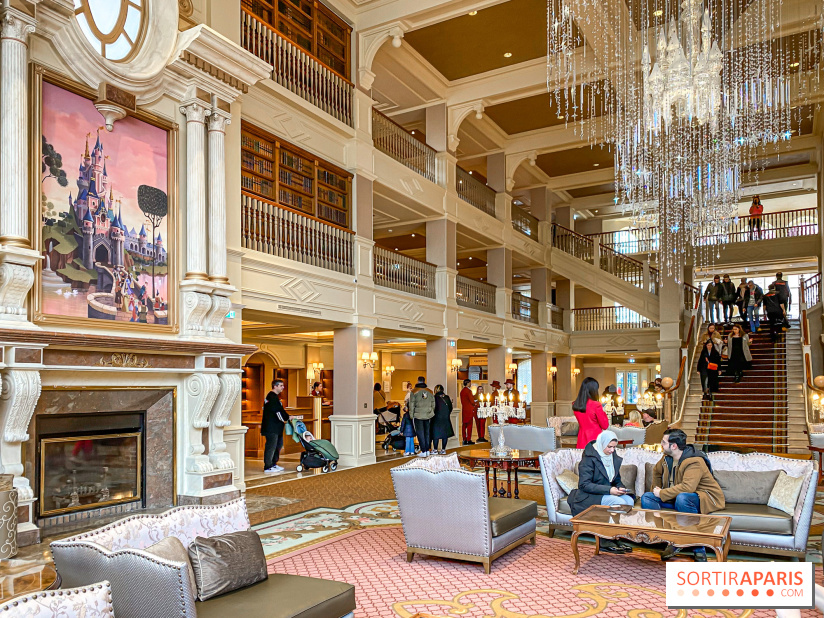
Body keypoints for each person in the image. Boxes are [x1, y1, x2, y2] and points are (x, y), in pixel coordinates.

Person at [640, 429, 725, 561]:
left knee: (683, 498)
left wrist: (662, 493)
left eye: (664, 442)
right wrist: (655, 490)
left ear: (673, 446)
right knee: (647, 497)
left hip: (702, 497)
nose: (661, 444)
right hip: (677, 496)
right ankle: (666, 537)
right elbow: (656, 471)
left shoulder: (694, 461)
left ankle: (698, 547)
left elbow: (688, 487)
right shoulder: (666, 458)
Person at [568, 430, 634, 554]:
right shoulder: (589, 458)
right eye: (609, 447)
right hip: (589, 496)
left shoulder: (612, 457)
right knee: (618, 502)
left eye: (614, 447)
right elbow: (584, 485)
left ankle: (615, 536)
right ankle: (605, 539)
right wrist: (609, 490)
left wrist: (620, 488)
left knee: (628, 501)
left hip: (606, 493)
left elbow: (616, 479)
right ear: (602, 444)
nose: (612, 450)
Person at [262, 379, 290, 474]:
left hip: (277, 427)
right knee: (271, 446)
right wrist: (286, 418)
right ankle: (268, 466)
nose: (283, 387)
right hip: (271, 427)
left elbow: (280, 410)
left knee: (278, 445)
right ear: (275, 386)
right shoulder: (272, 397)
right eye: (281, 385)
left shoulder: (276, 397)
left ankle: (273, 463)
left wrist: (287, 417)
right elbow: (278, 412)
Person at [572, 377, 609, 449]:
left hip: (581, 439)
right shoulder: (596, 405)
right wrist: (603, 410)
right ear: (593, 390)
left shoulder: (575, 404)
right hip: (595, 439)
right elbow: (605, 425)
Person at [408, 376, 435, 457]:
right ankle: (427, 450)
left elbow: (411, 405)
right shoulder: (430, 391)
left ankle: (423, 450)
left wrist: (411, 415)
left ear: (418, 381)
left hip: (418, 415)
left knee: (420, 433)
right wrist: (431, 412)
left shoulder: (414, 391)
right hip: (428, 415)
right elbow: (433, 404)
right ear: (424, 381)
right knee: (427, 433)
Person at [431, 385, 454, 454]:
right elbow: (450, 408)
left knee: (436, 435)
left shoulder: (434, 398)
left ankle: (435, 449)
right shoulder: (447, 397)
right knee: (445, 435)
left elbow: (433, 408)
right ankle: (443, 449)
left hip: (436, 418)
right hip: (446, 418)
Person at [460, 380, 477, 445]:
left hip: (464, 409)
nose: (470, 384)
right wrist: (475, 403)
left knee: (464, 425)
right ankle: (468, 439)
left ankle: (464, 439)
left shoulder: (462, 391)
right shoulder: (469, 391)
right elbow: (472, 401)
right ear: (468, 383)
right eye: (470, 383)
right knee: (469, 425)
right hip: (469, 410)